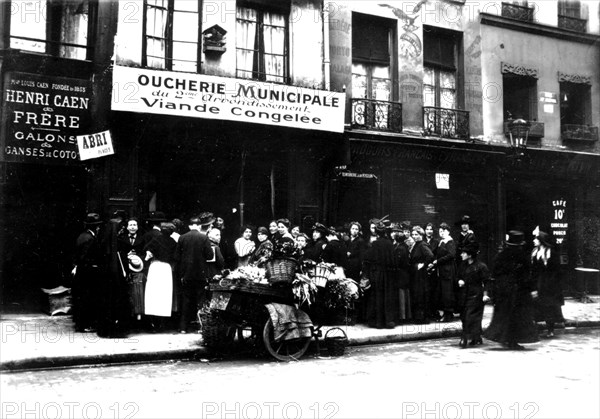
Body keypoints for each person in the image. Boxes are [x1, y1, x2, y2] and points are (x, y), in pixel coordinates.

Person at [484, 231, 540, 350]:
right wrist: (532, 289)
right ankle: (513, 341)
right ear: (520, 244)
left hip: (503, 291)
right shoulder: (523, 256)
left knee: (503, 316)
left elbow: (494, 274)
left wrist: (495, 290)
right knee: (517, 317)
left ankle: (504, 338)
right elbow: (527, 275)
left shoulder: (501, 255)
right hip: (519, 292)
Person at [175, 213, 215, 334]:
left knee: (186, 300)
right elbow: (210, 255)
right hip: (201, 274)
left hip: (186, 274)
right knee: (200, 300)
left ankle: (183, 327)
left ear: (189, 226)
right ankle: (201, 326)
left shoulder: (182, 238)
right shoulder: (204, 238)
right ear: (198, 226)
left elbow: (177, 256)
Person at [96, 211, 130, 338]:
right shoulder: (116, 248)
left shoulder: (106, 240)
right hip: (115, 277)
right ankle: (117, 330)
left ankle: (106, 330)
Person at [362, 220, 400, 329]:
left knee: (377, 297)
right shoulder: (389, 244)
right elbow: (393, 261)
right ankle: (388, 321)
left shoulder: (375, 244)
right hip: (388, 275)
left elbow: (368, 258)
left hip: (377, 274)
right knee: (387, 297)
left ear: (377, 233)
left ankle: (378, 322)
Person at [72, 213, 103, 333]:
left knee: (82, 298)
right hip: (87, 273)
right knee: (87, 298)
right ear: (95, 227)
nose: (99, 227)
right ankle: (84, 325)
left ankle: (81, 324)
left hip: (82, 272)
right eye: (97, 225)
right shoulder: (90, 238)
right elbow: (84, 257)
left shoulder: (83, 236)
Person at [144, 222, 177, 332]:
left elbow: (147, 251)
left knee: (153, 294)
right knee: (164, 295)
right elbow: (176, 256)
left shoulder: (156, 239)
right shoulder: (172, 242)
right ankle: (162, 323)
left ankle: (153, 323)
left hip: (155, 267)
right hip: (166, 269)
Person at [456, 242, 490, 348]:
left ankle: (464, 338)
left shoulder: (481, 266)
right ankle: (476, 337)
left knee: (469, 317)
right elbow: (457, 276)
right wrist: (459, 281)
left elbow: (487, 282)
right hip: (464, 294)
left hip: (476, 295)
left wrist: (485, 294)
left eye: (464, 253)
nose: (461, 255)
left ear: (470, 255)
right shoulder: (462, 265)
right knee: (464, 316)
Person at [531, 230, 564, 338]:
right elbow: (533, 269)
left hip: (550, 284)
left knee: (550, 307)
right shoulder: (534, 252)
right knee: (536, 306)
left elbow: (557, 270)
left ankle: (550, 329)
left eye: (536, 239)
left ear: (541, 241)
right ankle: (536, 329)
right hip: (538, 282)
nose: (534, 240)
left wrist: (551, 284)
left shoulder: (551, 253)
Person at [429, 223, 457, 322]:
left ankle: (448, 314)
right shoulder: (441, 242)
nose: (442, 233)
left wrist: (437, 261)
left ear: (448, 231)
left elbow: (451, 255)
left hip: (448, 270)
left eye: (444, 231)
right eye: (440, 231)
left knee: (447, 293)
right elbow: (434, 253)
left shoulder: (450, 241)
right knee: (443, 293)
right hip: (442, 270)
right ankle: (445, 313)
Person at [409, 226, 434, 324]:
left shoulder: (422, 245)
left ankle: (422, 318)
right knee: (417, 295)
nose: (414, 236)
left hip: (420, 275)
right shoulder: (417, 244)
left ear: (421, 235)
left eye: (416, 234)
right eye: (413, 234)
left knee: (420, 295)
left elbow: (430, 255)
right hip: (416, 274)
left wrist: (423, 265)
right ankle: (419, 317)